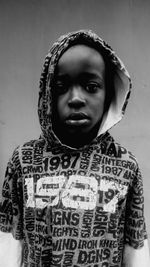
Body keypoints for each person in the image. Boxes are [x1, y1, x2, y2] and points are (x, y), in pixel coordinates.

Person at [0, 29, 149, 267]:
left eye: (91, 86)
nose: (76, 98)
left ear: (109, 93)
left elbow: (135, 247)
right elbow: (9, 240)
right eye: (61, 87)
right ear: (47, 93)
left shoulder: (125, 166)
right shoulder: (24, 161)